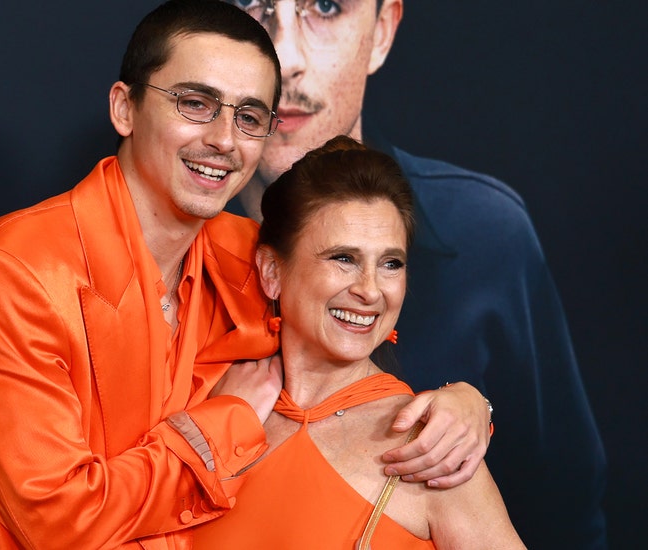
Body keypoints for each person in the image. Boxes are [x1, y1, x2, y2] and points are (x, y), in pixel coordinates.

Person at [0, 2, 492, 549]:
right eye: (195, 103)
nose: (223, 140)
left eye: (249, 117)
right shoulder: (20, 273)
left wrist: (466, 407)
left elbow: (352, 331)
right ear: (125, 108)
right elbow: (60, 521)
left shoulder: (251, 255)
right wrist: (221, 429)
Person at [222, 0, 607, 547]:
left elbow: (567, 505)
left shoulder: (488, 236)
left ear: (381, 30)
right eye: (252, 6)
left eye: (325, 7)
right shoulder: (166, 262)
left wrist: (477, 407)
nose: (285, 58)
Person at [192, 135, 525, 549]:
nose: (369, 290)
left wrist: (476, 402)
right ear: (272, 271)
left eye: (391, 263)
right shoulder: (211, 398)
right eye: (343, 258)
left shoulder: (429, 449)